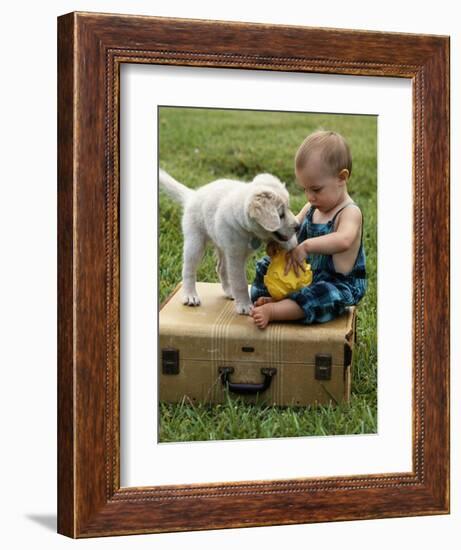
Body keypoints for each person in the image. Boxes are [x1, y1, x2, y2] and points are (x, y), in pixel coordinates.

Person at [249, 130, 367, 329]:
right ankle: (276, 299)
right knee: (265, 266)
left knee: (321, 296)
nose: (309, 196)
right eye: (305, 189)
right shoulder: (312, 207)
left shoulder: (349, 212)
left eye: (316, 189)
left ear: (342, 178)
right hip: (305, 276)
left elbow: (344, 239)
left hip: (336, 283)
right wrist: (277, 242)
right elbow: (292, 227)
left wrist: (307, 246)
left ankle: (275, 311)